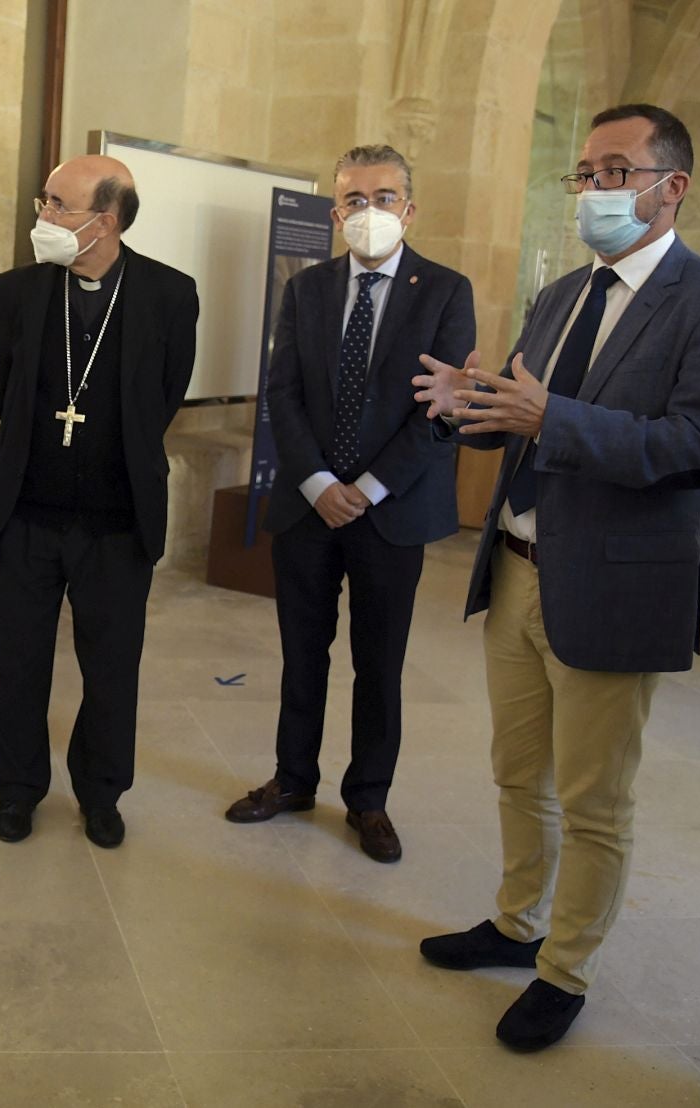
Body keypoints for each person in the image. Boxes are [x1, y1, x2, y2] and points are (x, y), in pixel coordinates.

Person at [411, 104, 700, 1051]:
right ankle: (517, 923)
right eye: (586, 173)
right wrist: (465, 408)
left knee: (596, 797)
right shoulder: (565, 291)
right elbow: (523, 415)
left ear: (670, 188)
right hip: (521, 566)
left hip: (613, 580)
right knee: (517, 773)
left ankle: (566, 970)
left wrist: (548, 420)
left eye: (615, 171)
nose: (595, 190)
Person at [224, 145, 475, 864]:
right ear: (335, 215)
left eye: (385, 196)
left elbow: (441, 409)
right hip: (308, 508)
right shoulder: (306, 290)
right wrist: (317, 486)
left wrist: (363, 490)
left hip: (391, 512)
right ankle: (293, 780)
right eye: (355, 200)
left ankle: (368, 799)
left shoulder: (446, 292)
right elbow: (283, 394)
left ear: (410, 208)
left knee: (379, 662)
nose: (370, 212)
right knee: (303, 654)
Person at [0, 154, 199, 848]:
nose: (41, 216)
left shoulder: (170, 294)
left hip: (116, 520)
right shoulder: (16, 291)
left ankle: (101, 792)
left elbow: (163, 397)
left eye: (55, 204)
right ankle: (18, 790)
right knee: (16, 664)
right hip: (27, 512)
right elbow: (1, 388)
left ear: (103, 222)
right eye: (44, 201)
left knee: (111, 670)